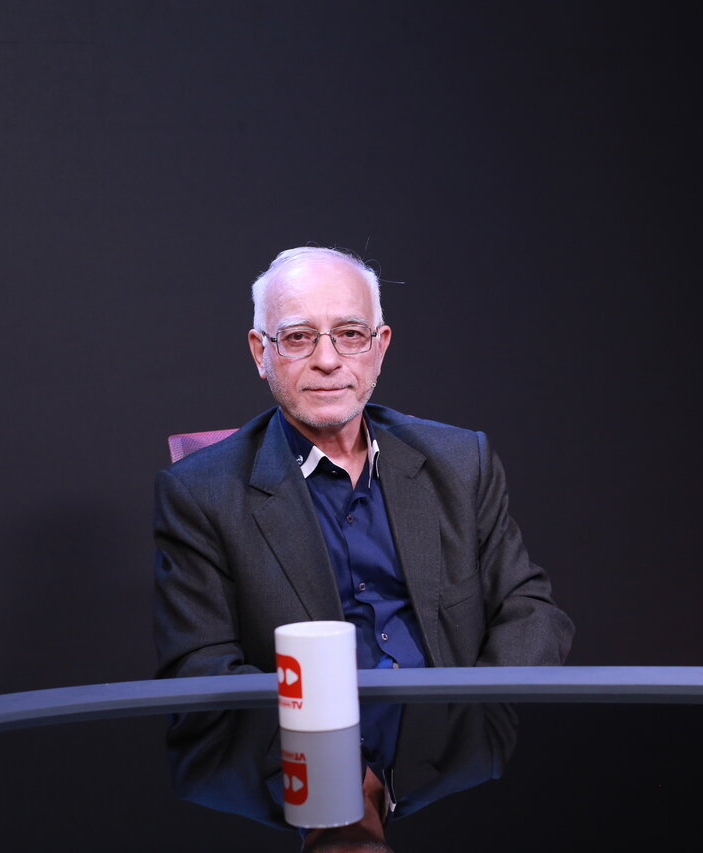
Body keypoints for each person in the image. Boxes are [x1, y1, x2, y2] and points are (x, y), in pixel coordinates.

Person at [153, 246, 573, 682]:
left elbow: (530, 612)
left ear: (380, 346)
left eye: (351, 334)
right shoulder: (200, 495)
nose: (327, 360)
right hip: (306, 724)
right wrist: (315, 726)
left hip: (454, 721)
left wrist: (477, 713)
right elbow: (200, 670)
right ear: (261, 353)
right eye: (298, 337)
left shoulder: (463, 462)